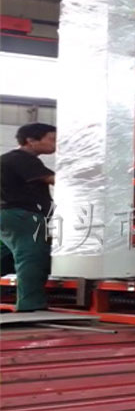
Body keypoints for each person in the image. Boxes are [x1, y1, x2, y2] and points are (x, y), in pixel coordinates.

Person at [0, 123, 56, 312]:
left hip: (8, 216)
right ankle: (31, 305)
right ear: (31, 140)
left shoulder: (9, 159)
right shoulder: (22, 159)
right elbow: (55, 180)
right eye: (52, 139)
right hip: (22, 216)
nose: (56, 144)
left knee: (5, 257)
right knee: (32, 257)